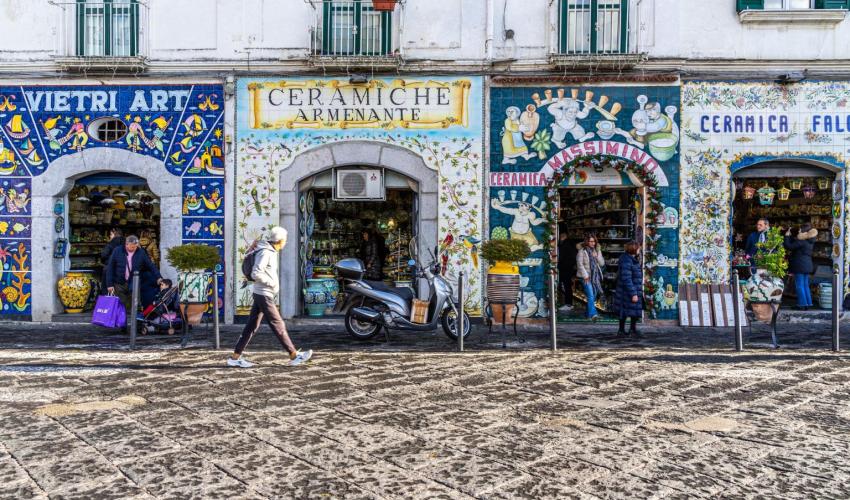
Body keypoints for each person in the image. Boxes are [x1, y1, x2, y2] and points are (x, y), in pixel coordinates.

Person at [229, 227, 312, 368]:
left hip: (261, 293)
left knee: (251, 326)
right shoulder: (266, 252)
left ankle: (234, 358)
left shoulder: (268, 250)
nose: (285, 242)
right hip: (264, 294)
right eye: (285, 240)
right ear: (279, 241)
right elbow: (256, 273)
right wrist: (271, 283)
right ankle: (293, 355)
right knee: (278, 324)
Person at [105, 235, 161, 329]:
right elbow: (110, 267)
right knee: (121, 306)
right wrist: (109, 284)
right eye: (132, 247)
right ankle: (122, 326)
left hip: (134, 282)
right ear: (126, 244)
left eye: (135, 246)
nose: (134, 249)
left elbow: (151, 266)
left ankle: (137, 326)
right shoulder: (117, 251)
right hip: (119, 282)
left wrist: (159, 277)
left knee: (136, 304)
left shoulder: (141, 252)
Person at [614, 241, 644, 337]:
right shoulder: (627, 260)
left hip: (632, 289)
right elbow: (626, 278)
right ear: (634, 249)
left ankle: (632, 330)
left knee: (632, 310)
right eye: (638, 248)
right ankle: (622, 331)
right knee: (625, 310)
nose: (639, 250)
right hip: (627, 290)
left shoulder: (630, 259)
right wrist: (633, 293)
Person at [784, 223, 817, 310]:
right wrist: (791, 237)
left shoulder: (801, 241)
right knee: (805, 285)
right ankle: (808, 303)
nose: (798, 231)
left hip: (799, 265)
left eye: (799, 230)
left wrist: (787, 236)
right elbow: (795, 244)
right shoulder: (809, 240)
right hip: (807, 265)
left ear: (802, 231)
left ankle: (801, 304)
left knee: (799, 285)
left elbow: (789, 246)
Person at [576, 234, 605, 321]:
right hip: (585, 277)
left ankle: (588, 314)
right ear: (587, 242)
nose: (593, 243)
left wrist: (597, 256)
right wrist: (585, 276)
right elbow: (580, 264)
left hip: (594, 277)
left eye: (594, 241)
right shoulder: (582, 251)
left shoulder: (597, 250)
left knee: (594, 295)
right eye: (591, 241)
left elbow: (602, 264)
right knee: (591, 295)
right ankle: (593, 315)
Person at [557, 231, 577, 310]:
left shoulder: (565, 244)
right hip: (568, 268)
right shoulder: (568, 243)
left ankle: (568, 304)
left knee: (566, 286)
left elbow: (562, 257)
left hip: (565, 268)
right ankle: (567, 303)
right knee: (566, 285)